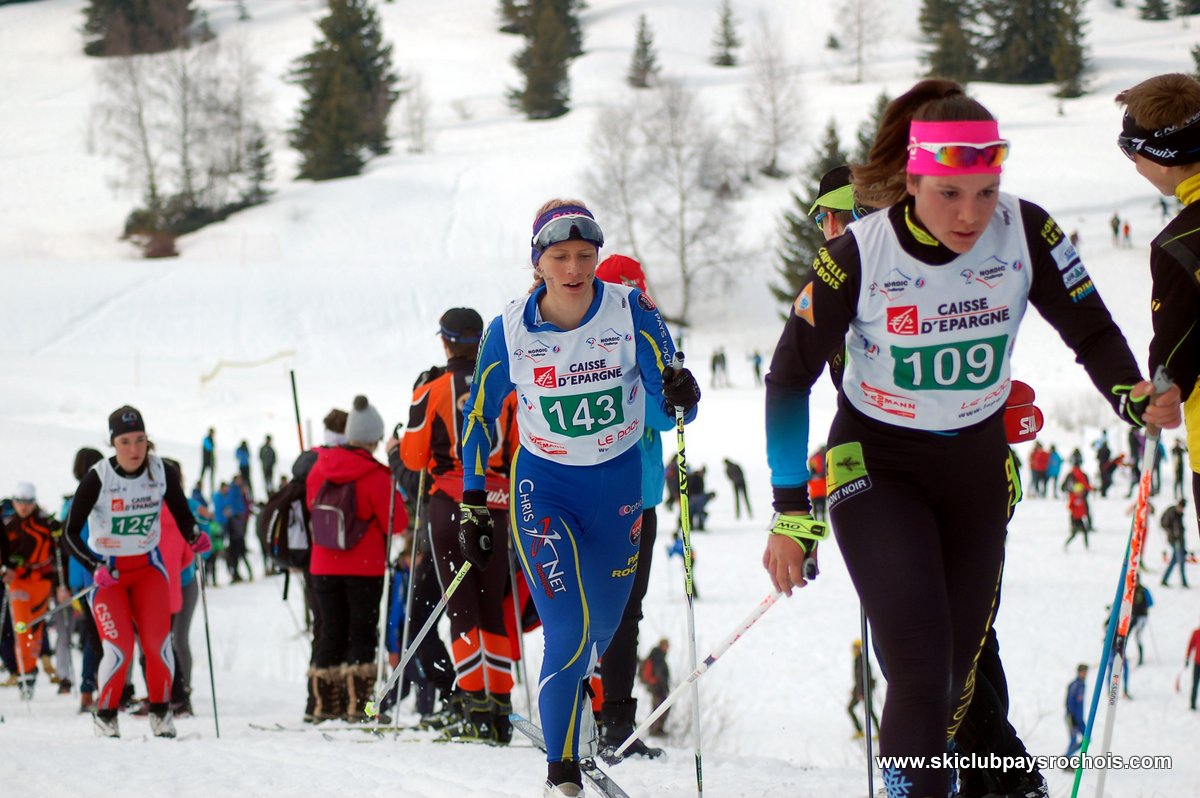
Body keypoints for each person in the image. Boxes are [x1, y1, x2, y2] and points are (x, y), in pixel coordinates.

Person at [762, 79, 1180, 798]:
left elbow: (1089, 328)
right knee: (921, 665)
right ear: (913, 181)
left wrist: (1129, 394)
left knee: (955, 669)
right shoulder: (858, 254)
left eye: (985, 192)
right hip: (878, 463)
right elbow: (787, 379)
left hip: (975, 466)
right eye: (950, 194)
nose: (970, 214)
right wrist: (790, 511)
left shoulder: (1029, 230)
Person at [458, 199, 699, 797]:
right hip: (546, 490)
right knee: (568, 629)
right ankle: (561, 777)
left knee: (603, 629)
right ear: (537, 263)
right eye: (559, 257)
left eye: (585, 256)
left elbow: (677, 408)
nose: (573, 268)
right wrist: (470, 499)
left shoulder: (630, 309)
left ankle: (573, 719)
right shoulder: (508, 329)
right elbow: (480, 419)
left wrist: (680, 392)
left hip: (618, 490)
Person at [394, 307, 517, 742]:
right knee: (491, 609)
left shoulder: (431, 389)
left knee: (462, 609)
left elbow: (411, 457)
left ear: (445, 341)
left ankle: (474, 708)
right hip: (497, 502)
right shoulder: (505, 388)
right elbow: (519, 446)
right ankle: (500, 708)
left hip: (450, 503)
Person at [63, 406, 211, 738]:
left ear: (148, 441)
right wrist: (92, 565)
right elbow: (69, 533)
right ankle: (106, 715)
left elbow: (183, 516)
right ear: (113, 443)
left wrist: (195, 537)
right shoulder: (99, 477)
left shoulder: (161, 472)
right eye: (126, 441)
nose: (134, 449)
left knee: (159, 645)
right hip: (109, 574)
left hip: (148, 570)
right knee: (119, 649)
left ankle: (161, 713)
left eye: (140, 440)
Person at [594, 253, 676, 762]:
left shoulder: (649, 339)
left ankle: (616, 721)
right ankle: (583, 713)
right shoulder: (580, 342)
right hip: (587, 491)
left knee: (627, 611)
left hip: (639, 499)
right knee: (582, 609)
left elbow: (666, 416)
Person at [1115, 73, 1200, 549]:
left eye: (1131, 150)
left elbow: (1173, 365)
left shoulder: (1182, 245)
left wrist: (1155, 398)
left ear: (1161, 158)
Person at [305, 396, 408, 722]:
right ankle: (358, 708)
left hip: (321, 564)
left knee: (329, 631)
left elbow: (311, 506)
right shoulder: (377, 476)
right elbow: (399, 523)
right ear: (374, 439)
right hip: (364, 567)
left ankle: (322, 706)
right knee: (362, 633)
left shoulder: (318, 468)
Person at [0, 482, 65, 700]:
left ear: (34, 502)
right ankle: (24, 671)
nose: (23, 507)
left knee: (35, 630)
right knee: (21, 627)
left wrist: (59, 531)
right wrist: (6, 569)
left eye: (28, 502)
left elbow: (60, 549)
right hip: (18, 582)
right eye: (19, 501)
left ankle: (30, 670)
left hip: (41, 582)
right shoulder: (8, 527)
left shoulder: (45, 524)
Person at [62, 448, 105, 712]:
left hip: (81, 576)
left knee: (95, 634)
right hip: (93, 575)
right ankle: (91, 690)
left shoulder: (70, 501)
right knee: (98, 636)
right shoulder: (92, 495)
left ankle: (91, 689)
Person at [847, 639, 879, 740]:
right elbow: (858, 679)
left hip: (865, 691)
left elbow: (863, 678)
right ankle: (860, 730)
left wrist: (861, 693)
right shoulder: (858, 659)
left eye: (855, 648)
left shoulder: (862, 660)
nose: (853, 650)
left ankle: (879, 733)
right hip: (860, 691)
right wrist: (855, 690)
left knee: (869, 711)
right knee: (850, 709)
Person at [639, 638, 671, 736]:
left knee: (658, 707)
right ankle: (655, 730)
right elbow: (659, 672)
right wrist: (662, 685)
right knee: (660, 707)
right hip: (657, 687)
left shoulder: (656, 655)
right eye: (666, 645)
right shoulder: (658, 656)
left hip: (655, 686)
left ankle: (655, 729)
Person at [1161, 498, 1189, 587]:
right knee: (1181, 561)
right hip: (1174, 541)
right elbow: (1165, 524)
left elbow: (1180, 529)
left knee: (1174, 560)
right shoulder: (1172, 512)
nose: (1181, 509)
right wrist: (1172, 534)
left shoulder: (1180, 514)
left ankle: (1164, 580)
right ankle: (1184, 582)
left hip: (1180, 540)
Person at [1063, 664, 1088, 759]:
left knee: (1087, 739)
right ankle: (1066, 758)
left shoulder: (1082, 685)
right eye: (1083, 672)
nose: (1085, 674)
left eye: (1086, 672)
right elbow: (1069, 701)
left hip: (1079, 718)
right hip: (1072, 717)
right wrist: (1072, 716)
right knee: (1073, 739)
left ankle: (1067, 756)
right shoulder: (1075, 685)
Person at [1065, 483, 1091, 550]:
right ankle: (1066, 544)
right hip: (1074, 518)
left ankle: (1086, 546)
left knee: (1085, 532)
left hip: (1080, 518)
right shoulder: (1073, 498)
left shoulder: (1083, 499)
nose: (1081, 493)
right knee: (1074, 534)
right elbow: (1069, 507)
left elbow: (1084, 508)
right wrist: (1075, 512)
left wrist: (1084, 514)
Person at [1186, 620, 1200, 710]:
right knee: (1195, 683)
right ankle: (1192, 703)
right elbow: (1190, 645)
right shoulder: (1196, 633)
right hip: (1197, 663)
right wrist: (1187, 657)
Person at [200, 427, 215, 495]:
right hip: (206, 460)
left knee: (211, 477)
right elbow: (209, 448)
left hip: (210, 460)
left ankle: (211, 490)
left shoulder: (211, 439)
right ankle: (199, 488)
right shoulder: (206, 439)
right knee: (202, 476)